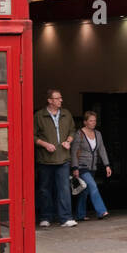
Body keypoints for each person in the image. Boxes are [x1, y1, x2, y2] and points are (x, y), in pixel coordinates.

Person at [33, 88, 76, 228]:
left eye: (61, 98)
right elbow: (32, 136)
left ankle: (66, 217)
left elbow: (72, 131)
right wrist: (44, 144)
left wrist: (68, 141)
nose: (61, 100)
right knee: (45, 189)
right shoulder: (39, 116)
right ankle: (46, 217)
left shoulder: (66, 114)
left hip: (63, 158)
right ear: (50, 100)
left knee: (64, 189)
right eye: (58, 98)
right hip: (45, 159)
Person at [70, 110, 112, 221]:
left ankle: (80, 214)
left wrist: (107, 165)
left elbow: (102, 149)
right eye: (91, 121)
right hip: (82, 166)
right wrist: (75, 167)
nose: (93, 123)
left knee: (86, 190)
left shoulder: (98, 134)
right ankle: (101, 211)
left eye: (95, 121)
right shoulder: (79, 134)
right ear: (85, 122)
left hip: (93, 166)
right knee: (93, 186)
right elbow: (74, 151)